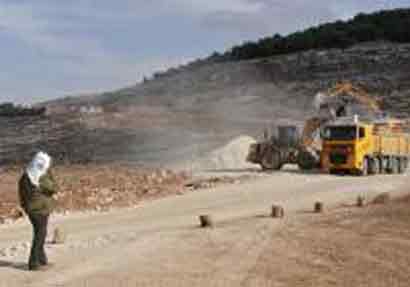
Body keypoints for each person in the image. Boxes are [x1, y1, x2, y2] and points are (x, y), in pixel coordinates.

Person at [18, 151, 58, 271]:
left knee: (40, 233)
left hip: (31, 209)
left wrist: (25, 207)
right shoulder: (41, 176)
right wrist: (50, 173)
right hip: (41, 209)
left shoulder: (26, 175)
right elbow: (54, 188)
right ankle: (33, 263)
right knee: (40, 235)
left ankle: (42, 260)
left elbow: (21, 194)